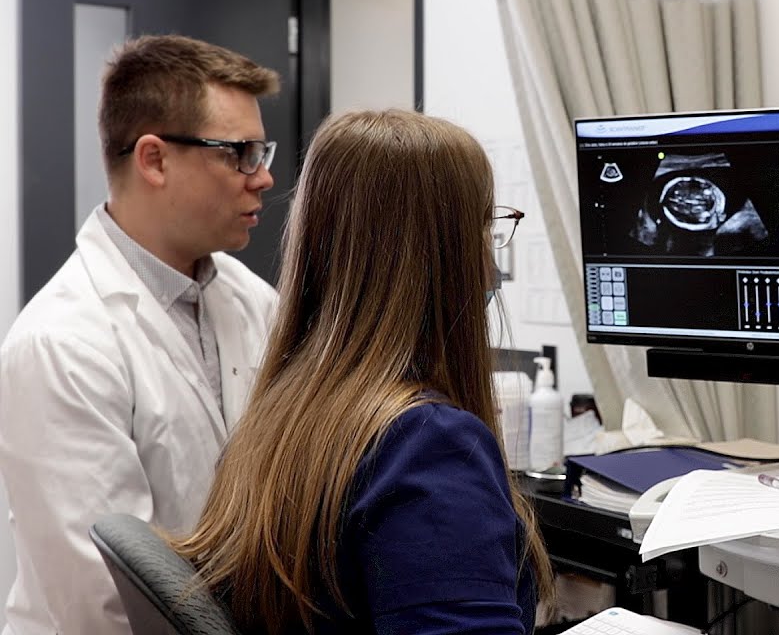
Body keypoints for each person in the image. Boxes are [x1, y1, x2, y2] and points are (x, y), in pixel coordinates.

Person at [171, 109, 554, 634]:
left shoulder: (285, 416)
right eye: (483, 229)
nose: (490, 266)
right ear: (441, 254)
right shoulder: (429, 445)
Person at [0, 35, 280, 635]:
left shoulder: (252, 300)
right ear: (153, 160)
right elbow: (105, 601)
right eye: (241, 153)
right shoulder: (62, 343)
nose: (264, 176)